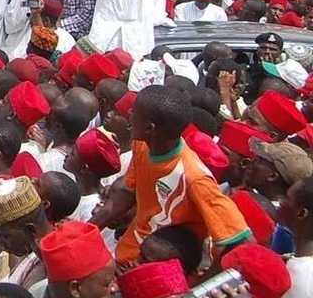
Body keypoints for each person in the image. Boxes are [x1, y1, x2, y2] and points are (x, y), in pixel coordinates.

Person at [99, 85, 250, 264]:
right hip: (127, 255)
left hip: (158, 272)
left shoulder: (195, 178)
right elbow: (127, 191)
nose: (129, 114)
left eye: (135, 112)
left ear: (150, 128)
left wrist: (199, 286)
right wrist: (89, 229)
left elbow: (240, 242)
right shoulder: (143, 144)